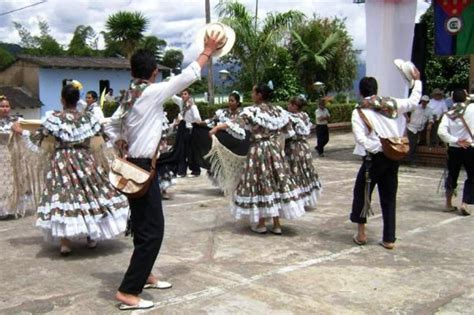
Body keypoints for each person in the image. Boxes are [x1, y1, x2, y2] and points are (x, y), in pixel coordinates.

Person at [104, 33, 223, 310]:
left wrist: (119, 142)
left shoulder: (127, 95)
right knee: (153, 232)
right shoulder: (151, 91)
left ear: (133, 72)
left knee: (143, 227)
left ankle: (144, 275)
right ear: (154, 72)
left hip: (133, 166)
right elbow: (188, 75)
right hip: (142, 168)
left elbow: (110, 126)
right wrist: (207, 50)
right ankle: (128, 291)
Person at [11, 84, 129, 255]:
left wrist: (21, 131)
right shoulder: (88, 118)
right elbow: (105, 138)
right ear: (77, 99)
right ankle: (91, 237)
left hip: (62, 161)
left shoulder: (54, 118)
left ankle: (65, 242)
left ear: (62, 100)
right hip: (85, 160)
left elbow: (38, 139)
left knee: (65, 196)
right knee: (89, 195)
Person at [209, 83, 306, 235]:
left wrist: (217, 128)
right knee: (275, 181)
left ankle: (261, 222)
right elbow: (288, 131)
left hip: (258, 150)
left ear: (260, 95)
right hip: (274, 150)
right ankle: (276, 224)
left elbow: (234, 123)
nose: (252, 94)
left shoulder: (252, 111)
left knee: (260, 181)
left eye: (254, 92)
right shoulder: (278, 111)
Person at [350, 68, 422, 250]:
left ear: (361, 91)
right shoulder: (391, 103)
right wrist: (417, 81)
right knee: (389, 196)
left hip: (374, 158)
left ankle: (361, 233)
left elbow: (360, 138)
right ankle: (389, 238)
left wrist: (378, 147)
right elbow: (414, 102)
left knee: (362, 193)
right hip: (393, 155)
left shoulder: (359, 111)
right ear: (376, 89)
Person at [438, 89, 473, 216]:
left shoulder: (449, 114)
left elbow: (441, 132)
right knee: (472, 176)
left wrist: (456, 140)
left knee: (452, 175)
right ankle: (465, 203)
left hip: (454, 148)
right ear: (465, 97)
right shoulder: (472, 109)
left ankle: (448, 203)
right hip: (470, 147)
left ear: (452, 99)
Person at [286, 96, 322, 208]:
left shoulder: (290, 117)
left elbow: (287, 134)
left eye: (290, 104)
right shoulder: (305, 116)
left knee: (295, 171)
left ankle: (298, 198)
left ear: (295, 106)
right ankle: (306, 197)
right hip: (304, 147)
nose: (288, 106)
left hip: (293, 148)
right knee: (305, 171)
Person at [172, 89, 202, 177]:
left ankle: (196, 170)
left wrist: (192, 123)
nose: (183, 96)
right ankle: (181, 171)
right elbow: (173, 97)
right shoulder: (181, 102)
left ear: (189, 95)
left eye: (185, 94)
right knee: (181, 151)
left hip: (190, 130)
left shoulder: (193, 106)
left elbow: (198, 118)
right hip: (182, 129)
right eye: (182, 94)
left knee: (190, 151)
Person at [406, 95, 433, 164]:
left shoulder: (429, 110)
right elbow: (405, 110)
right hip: (412, 128)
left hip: (420, 129)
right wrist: (407, 118)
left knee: (415, 145)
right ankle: (410, 159)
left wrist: (430, 124)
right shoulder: (415, 107)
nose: (424, 103)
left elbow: (431, 119)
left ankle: (410, 159)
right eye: (423, 101)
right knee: (412, 144)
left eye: (426, 102)